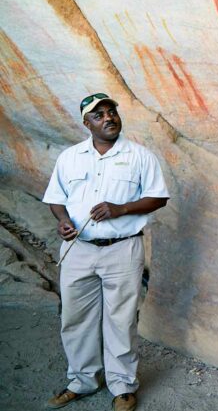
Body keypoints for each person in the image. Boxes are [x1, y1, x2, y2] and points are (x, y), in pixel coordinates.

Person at [42, 93, 170, 411]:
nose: (108, 117)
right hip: (79, 248)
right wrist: (62, 222)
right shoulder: (70, 157)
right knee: (75, 318)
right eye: (98, 115)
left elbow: (159, 197)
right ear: (87, 124)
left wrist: (121, 208)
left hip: (122, 249)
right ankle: (83, 380)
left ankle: (122, 385)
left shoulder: (141, 156)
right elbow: (56, 197)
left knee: (121, 319)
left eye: (111, 111)